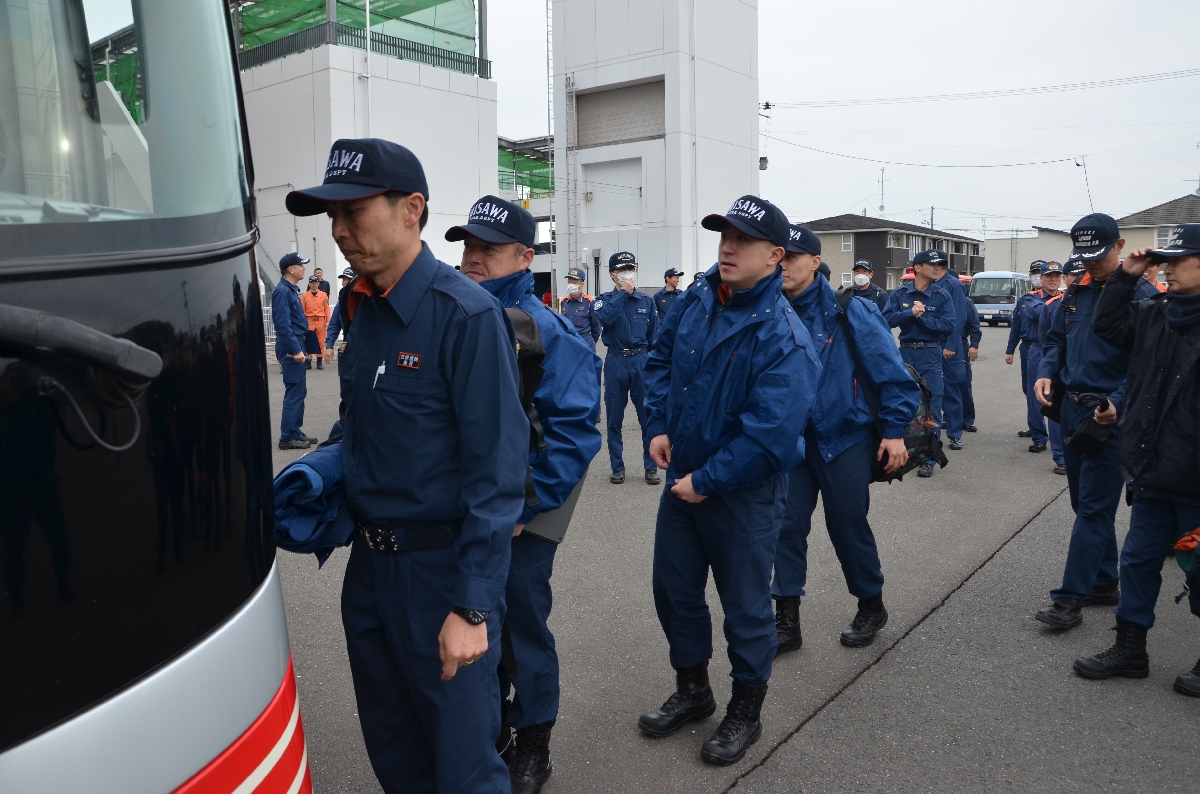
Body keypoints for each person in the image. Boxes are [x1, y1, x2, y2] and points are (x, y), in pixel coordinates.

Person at [285, 138, 528, 793]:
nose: (337, 231)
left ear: (411, 210)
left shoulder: (465, 315)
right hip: (369, 577)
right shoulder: (362, 311)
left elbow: (498, 475)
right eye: (330, 217)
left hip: (440, 579)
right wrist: (317, 473)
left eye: (354, 213)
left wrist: (473, 609)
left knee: (465, 770)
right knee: (396, 757)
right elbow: (360, 430)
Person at [637, 196, 820, 766]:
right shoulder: (698, 298)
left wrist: (708, 480)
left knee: (745, 607)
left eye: (743, 240)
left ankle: (746, 710)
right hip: (685, 482)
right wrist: (660, 425)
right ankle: (693, 690)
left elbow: (771, 437)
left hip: (742, 494)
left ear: (775, 256)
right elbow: (661, 360)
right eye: (724, 235)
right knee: (674, 593)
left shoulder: (784, 336)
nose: (728, 247)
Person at [449, 195, 603, 793]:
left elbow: (572, 433)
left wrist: (522, 507)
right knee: (472, 616)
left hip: (526, 506)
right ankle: (492, 728)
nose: (472, 258)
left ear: (523, 256)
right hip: (475, 503)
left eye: (487, 248)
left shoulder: (547, 329)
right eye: (467, 246)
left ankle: (533, 739)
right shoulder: (457, 316)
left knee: (519, 623)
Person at [771, 225, 920, 653]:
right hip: (793, 442)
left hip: (845, 438)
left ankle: (871, 604)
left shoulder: (851, 309)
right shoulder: (771, 309)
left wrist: (893, 433)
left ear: (815, 263)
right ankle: (787, 621)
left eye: (792, 258)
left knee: (847, 525)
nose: (782, 265)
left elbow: (892, 375)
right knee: (784, 527)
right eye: (777, 256)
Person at [1073, 223, 1200, 695]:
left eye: (1179, 260)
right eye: (1166, 260)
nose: (1167, 267)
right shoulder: (1156, 312)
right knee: (1138, 561)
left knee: (1199, 567)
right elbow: (1106, 326)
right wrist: (1125, 277)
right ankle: (1130, 649)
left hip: (1195, 474)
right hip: (1152, 469)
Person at [1032, 213, 1150, 630]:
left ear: (1119, 246)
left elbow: (1146, 364)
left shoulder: (1142, 296)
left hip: (1111, 414)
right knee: (1083, 504)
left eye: (1099, 255)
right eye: (1084, 257)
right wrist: (1047, 370)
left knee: (1095, 510)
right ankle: (1103, 581)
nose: (1092, 264)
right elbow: (1056, 340)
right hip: (1073, 410)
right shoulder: (1077, 292)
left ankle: (1069, 600)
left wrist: (1118, 401)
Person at [883, 249, 955, 477]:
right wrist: (909, 314)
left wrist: (922, 317)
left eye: (940, 265)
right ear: (917, 268)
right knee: (903, 402)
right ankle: (905, 450)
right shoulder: (900, 294)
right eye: (932, 264)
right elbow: (884, 320)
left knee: (932, 404)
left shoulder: (942, 296)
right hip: (904, 353)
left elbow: (948, 326)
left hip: (930, 354)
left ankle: (930, 458)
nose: (937, 268)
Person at [595, 252, 659, 485]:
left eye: (631, 269)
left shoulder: (647, 301)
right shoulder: (603, 300)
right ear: (613, 274)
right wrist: (622, 294)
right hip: (615, 361)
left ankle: (650, 467)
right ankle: (617, 467)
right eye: (623, 270)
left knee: (647, 416)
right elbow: (606, 319)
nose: (628, 274)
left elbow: (654, 337)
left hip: (641, 360)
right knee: (614, 418)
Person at [271, 252, 314, 450]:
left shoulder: (289, 290)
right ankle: (287, 437)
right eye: (301, 265)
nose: (304, 268)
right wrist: (296, 349)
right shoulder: (282, 291)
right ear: (291, 269)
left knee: (299, 390)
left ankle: (294, 430)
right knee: (294, 391)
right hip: (291, 345)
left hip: (298, 343)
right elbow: (283, 325)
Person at [1025, 262, 1064, 458]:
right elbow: (1037, 312)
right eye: (1049, 276)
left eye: (1057, 276)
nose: (1053, 280)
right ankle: (1039, 437)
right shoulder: (1032, 298)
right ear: (1041, 279)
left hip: (1060, 351)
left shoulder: (1066, 299)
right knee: (1036, 397)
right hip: (1038, 350)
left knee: (1057, 399)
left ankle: (1060, 453)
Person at [1006, 261, 1046, 442]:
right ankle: (1035, 427)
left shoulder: (1058, 298)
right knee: (1029, 390)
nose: (1037, 276)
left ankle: (1045, 432)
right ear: (1030, 275)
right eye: (1034, 273)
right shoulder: (1024, 300)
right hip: (1028, 347)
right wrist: (1010, 350)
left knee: (1048, 391)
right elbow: (1016, 328)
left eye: (1040, 273)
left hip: (1047, 347)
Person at [937, 261, 969, 451]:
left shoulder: (954, 285)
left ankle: (955, 434)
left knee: (951, 390)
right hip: (930, 345)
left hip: (949, 346)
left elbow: (958, 318)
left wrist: (950, 344)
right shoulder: (928, 284)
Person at [558, 267, 601, 349]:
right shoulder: (563, 301)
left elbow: (597, 329)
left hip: (584, 344)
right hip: (568, 344)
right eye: (569, 281)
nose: (571, 284)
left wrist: (589, 343)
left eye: (575, 282)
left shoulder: (590, 302)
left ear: (582, 284)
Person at [324, 266, 355, 361]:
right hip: (348, 343)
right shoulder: (340, 303)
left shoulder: (364, 300)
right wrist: (329, 346)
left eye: (348, 279)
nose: (345, 282)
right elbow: (334, 325)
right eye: (344, 279)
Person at [302, 274, 331, 370]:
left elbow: (327, 309)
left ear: (318, 283)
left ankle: (319, 362)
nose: (314, 285)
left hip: (320, 320)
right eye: (312, 283)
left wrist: (328, 321)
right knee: (309, 341)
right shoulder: (305, 296)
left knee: (320, 341)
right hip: (309, 320)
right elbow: (302, 310)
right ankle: (308, 363)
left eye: (315, 283)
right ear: (309, 284)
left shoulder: (323, 295)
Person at [961, 295, 981, 433]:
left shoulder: (966, 302)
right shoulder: (938, 297)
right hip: (939, 345)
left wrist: (974, 345)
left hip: (960, 345)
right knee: (944, 385)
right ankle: (948, 416)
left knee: (964, 383)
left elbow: (974, 324)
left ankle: (968, 419)